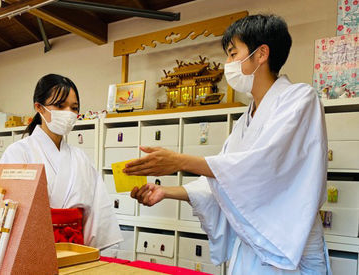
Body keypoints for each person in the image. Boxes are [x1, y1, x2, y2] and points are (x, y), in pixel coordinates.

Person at [124, 14, 331, 274]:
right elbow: (225, 181)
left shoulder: (301, 99)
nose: (228, 63)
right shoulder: (245, 119)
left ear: (261, 53)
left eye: (233, 54)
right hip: (251, 250)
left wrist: (179, 161)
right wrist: (167, 192)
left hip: (289, 247)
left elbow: (262, 167)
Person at [0, 74, 123, 249]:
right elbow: (9, 211)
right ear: (39, 107)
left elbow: (98, 211)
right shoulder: (18, 153)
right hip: (32, 248)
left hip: (76, 249)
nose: (68, 113)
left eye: (74, 108)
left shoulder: (81, 158)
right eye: (59, 105)